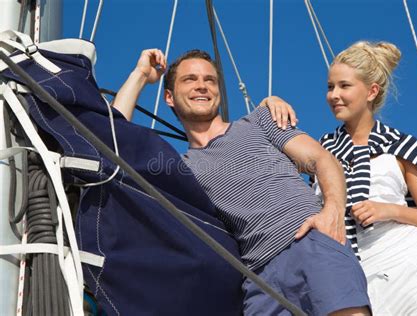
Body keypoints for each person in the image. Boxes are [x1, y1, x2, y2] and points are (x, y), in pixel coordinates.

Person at [112, 48, 371, 315]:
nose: (202, 86)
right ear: (169, 96)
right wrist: (141, 74)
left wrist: (333, 211)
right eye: (190, 79)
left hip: (310, 242)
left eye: (210, 80)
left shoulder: (259, 121)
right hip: (259, 281)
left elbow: (322, 160)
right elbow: (110, 140)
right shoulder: (180, 169)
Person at [261, 41, 417, 315]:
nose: (333, 95)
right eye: (330, 87)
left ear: (371, 91)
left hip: (412, 266)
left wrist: (389, 210)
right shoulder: (321, 149)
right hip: (356, 279)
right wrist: (270, 104)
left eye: (344, 86)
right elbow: (267, 155)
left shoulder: (400, 144)